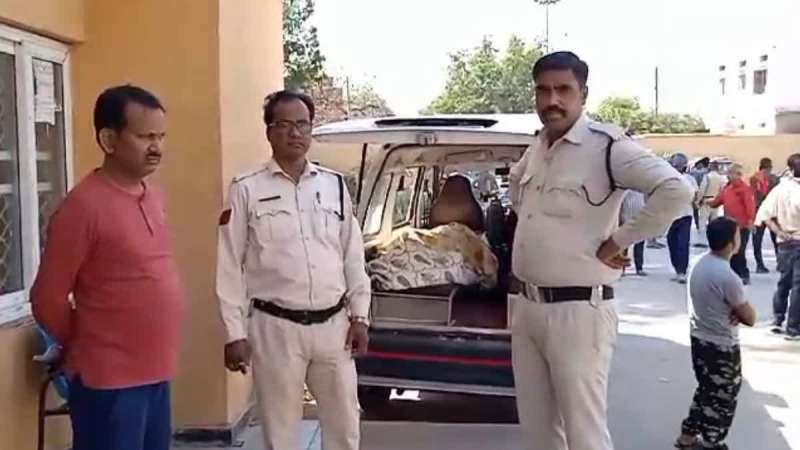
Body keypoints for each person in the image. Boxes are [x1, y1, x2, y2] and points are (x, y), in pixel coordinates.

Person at [509, 51, 692, 450]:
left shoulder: (607, 147)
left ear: (583, 94)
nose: (552, 100)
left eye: (563, 89)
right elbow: (517, 188)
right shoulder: (538, 145)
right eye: (543, 90)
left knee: (584, 434)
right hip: (526, 307)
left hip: (579, 312)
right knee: (538, 432)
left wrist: (619, 240)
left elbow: (676, 190)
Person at [30, 85, 183, 450]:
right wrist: (85, 341)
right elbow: (46, 297)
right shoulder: (82, 207)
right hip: (108, 381)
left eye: (160, 137)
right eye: (144, 137)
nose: (156, 147)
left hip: (156, 373)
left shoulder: (152, 196)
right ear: (109, 140)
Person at [216, 90, 371, 450]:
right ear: (269, 131)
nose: (295, 133)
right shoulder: (247, 189)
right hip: (275, 329)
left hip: (334, 327)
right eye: (284, 125)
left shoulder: (333, 186)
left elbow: (352, 254)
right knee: (280, 434)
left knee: (345, 429)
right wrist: (234, 333)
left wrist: (361, 316)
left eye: (302, 124)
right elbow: (228, 264)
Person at [674, 217, 756, 450]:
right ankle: (712, 442)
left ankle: (687, 436)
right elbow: (750, 317)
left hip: (699, 338)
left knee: (706, 389)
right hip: (722, 345)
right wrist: (737, 310)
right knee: (723, 397)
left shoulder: (698, 262)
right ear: (731, 243)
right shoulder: (728, 277)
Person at [756, 153, 800, 340]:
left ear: (789, 169)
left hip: (785, 242)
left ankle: (778, 319)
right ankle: (793, 328)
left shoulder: (780, 189)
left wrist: (779, 232)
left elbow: (765, 214)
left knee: (784, 282)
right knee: (798, 286)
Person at [707, 164, 755, 285]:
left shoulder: (744, 189)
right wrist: (708, 202)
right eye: (729, 173)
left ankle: (743, 274)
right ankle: (733, 274)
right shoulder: (727, 188)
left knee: (739, 250)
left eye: (731, 173)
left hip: (742, 226)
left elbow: (749, 205)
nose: (729, 176)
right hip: (729, 225)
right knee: (730, 250)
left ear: (738, 175)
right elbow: (717, 201)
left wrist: (750, 221)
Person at [667, 153, 699, 284]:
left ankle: (682, 271)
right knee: (673, 243)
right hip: (672, 215)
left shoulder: (689, 179)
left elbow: (695, 195)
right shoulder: (668, 178)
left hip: (684, 214)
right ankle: (678, 270)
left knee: (681, 243)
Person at [750, 157, 780, 273]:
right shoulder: (775, 179)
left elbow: (752, 195)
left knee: (757, 240)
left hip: (758, 211)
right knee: (776, 238)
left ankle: (760, 265)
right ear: (770, 167)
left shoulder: (754, 178)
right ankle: (780, 262)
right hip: (772, 212)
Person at [695, 161, 727, 247]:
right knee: (713, 222)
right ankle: (713, 240)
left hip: (706, 200)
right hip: (716, 201)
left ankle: (702, 241)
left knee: (702, 221)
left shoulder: (707, 177)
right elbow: (723, 190)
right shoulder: (721, 178)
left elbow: (702, 190)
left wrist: (697, 201)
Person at [620, 190, 648, 276]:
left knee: (639, 244)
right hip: (626, 218)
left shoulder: (642, 188)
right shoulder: (625, 189)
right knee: (624, 245)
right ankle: (622, 268)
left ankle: (639, 267)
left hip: (640, 218)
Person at [690, 157, 710, 231]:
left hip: (696, 193)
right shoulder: (707, 173)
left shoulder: (694, 173)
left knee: (695, 210)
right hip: (705, 194)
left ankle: (698, 225)